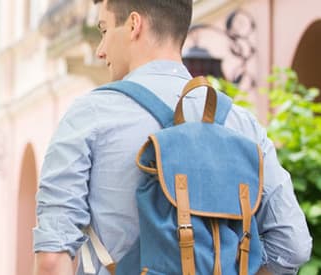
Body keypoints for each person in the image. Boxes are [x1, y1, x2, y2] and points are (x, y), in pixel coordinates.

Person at [31, 0, 313, 274]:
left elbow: (52, 260)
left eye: (104, 31)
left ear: (133, 25)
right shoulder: (241, 123)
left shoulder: (88, 115)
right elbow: (293, 245)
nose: (101, 50)